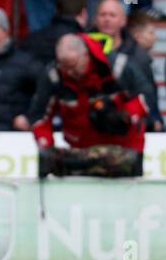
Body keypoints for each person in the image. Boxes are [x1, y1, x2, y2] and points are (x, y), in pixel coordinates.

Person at [29, 34, 149, 177]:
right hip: (81, 151)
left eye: (73, 65)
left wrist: (126, 116)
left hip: (123, 151)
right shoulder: (53, 76)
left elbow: (145, 97)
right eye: (64, 67)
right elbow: (39, 116)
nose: (69, 72)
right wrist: (45, 145)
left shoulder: (119, 67)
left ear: (86, 55)